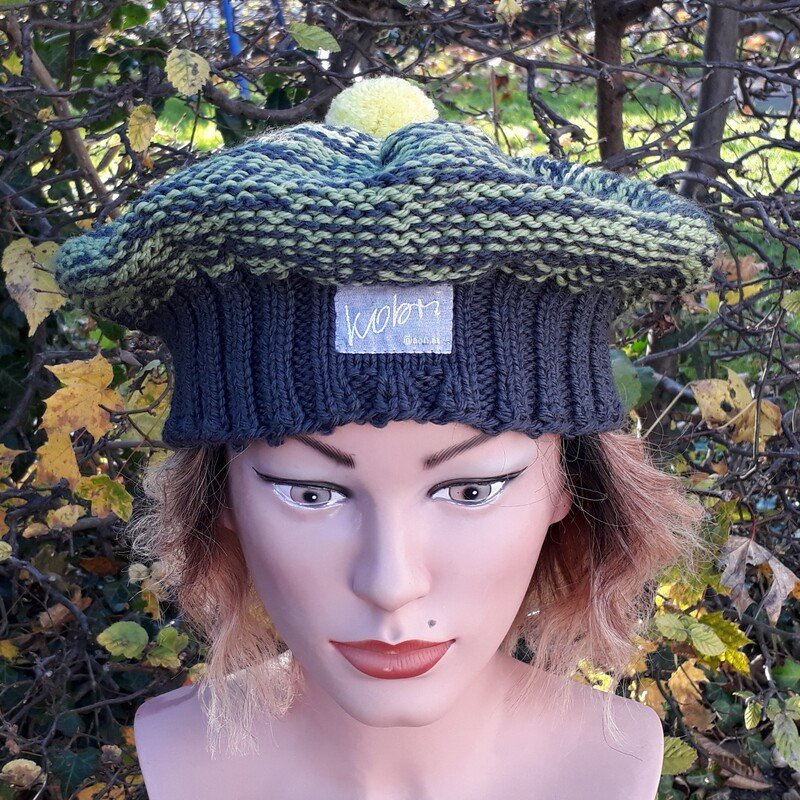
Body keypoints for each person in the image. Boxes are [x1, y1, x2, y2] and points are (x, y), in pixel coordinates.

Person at [52, 75, 722, 799]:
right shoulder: (182, 758)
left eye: (471, 490)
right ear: (219, 499)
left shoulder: (610, 762)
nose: (392, 584)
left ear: (572, 486)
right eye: (310, 493)